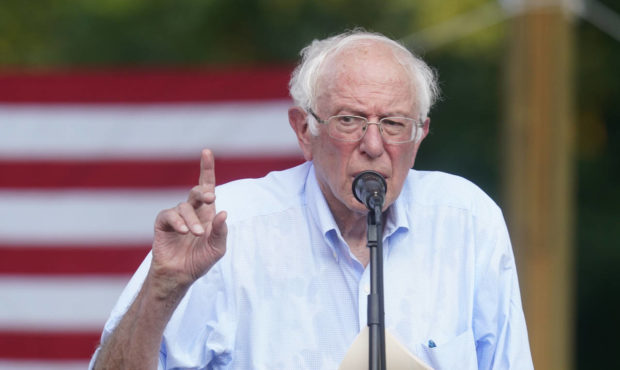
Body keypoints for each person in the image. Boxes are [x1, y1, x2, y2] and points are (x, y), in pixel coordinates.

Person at [90, 30, 533, 369]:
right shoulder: (228, 229)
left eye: (394, 124)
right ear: (305, 131)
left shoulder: (467, 220)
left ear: (420, 135)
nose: (374, 145)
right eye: (349, 120)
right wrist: (161, 293)